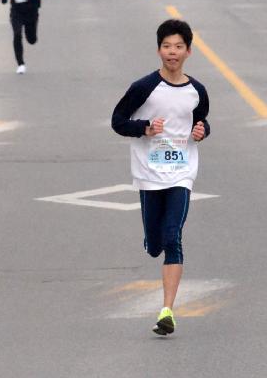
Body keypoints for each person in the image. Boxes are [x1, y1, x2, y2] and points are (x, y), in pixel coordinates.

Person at [111, 19, 211, 337]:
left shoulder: (197, 91)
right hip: (149, 174)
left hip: (182, 173)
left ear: (188, 51)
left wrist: (202, 130)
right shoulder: (143, 87)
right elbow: (117, 121)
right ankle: (151, 241)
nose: (172, 52)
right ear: (158, 50)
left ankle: (167, 311)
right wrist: (144, 127)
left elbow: (201, 121)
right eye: (167, 46)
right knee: (155, 244)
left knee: (173, 237)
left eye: (178, 46)